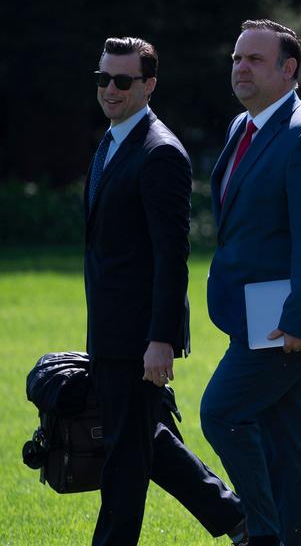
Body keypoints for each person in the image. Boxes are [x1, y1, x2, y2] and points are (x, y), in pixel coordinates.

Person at [83, 37, 246, 546]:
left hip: (138, 337)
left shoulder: (160, 154)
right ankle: (238, 519)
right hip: (111, 329)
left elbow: (171, 257)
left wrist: (161, 339)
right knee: (144, 437)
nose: (110, 89)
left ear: (148, 85)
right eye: (103, 79)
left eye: (123, 81)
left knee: (124, 459)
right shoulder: (113, 141)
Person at [200, 20, 301, 546]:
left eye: (254, 60)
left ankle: (261, 532)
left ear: (289, 70)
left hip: (285, 319)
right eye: (237, 58)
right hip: (248, 313)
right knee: (286, 443)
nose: (241, 67)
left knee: (221, 412)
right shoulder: (243, 127)